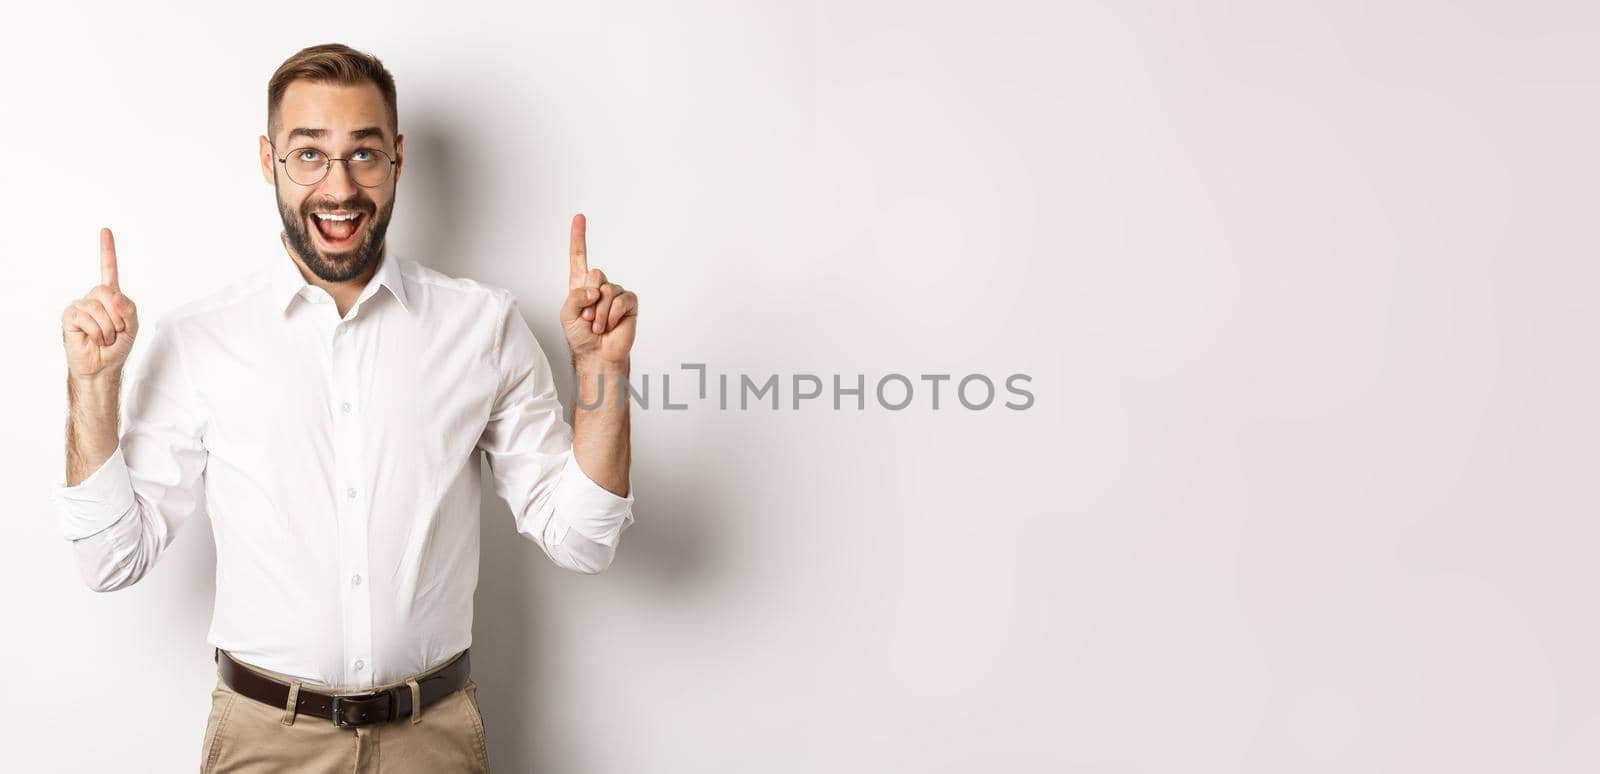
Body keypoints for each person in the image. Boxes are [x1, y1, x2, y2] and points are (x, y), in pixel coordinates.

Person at [51, 43, 639, 773]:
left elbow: (582, 541)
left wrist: (602, 373)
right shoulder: (199, 341)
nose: (339, 186)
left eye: (363, 154)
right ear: (269, 162)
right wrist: (94, 386)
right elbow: (111, 560)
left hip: (436, 740)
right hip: (266, 742)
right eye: (309, 155)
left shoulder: (482, 327)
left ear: (397, 158)